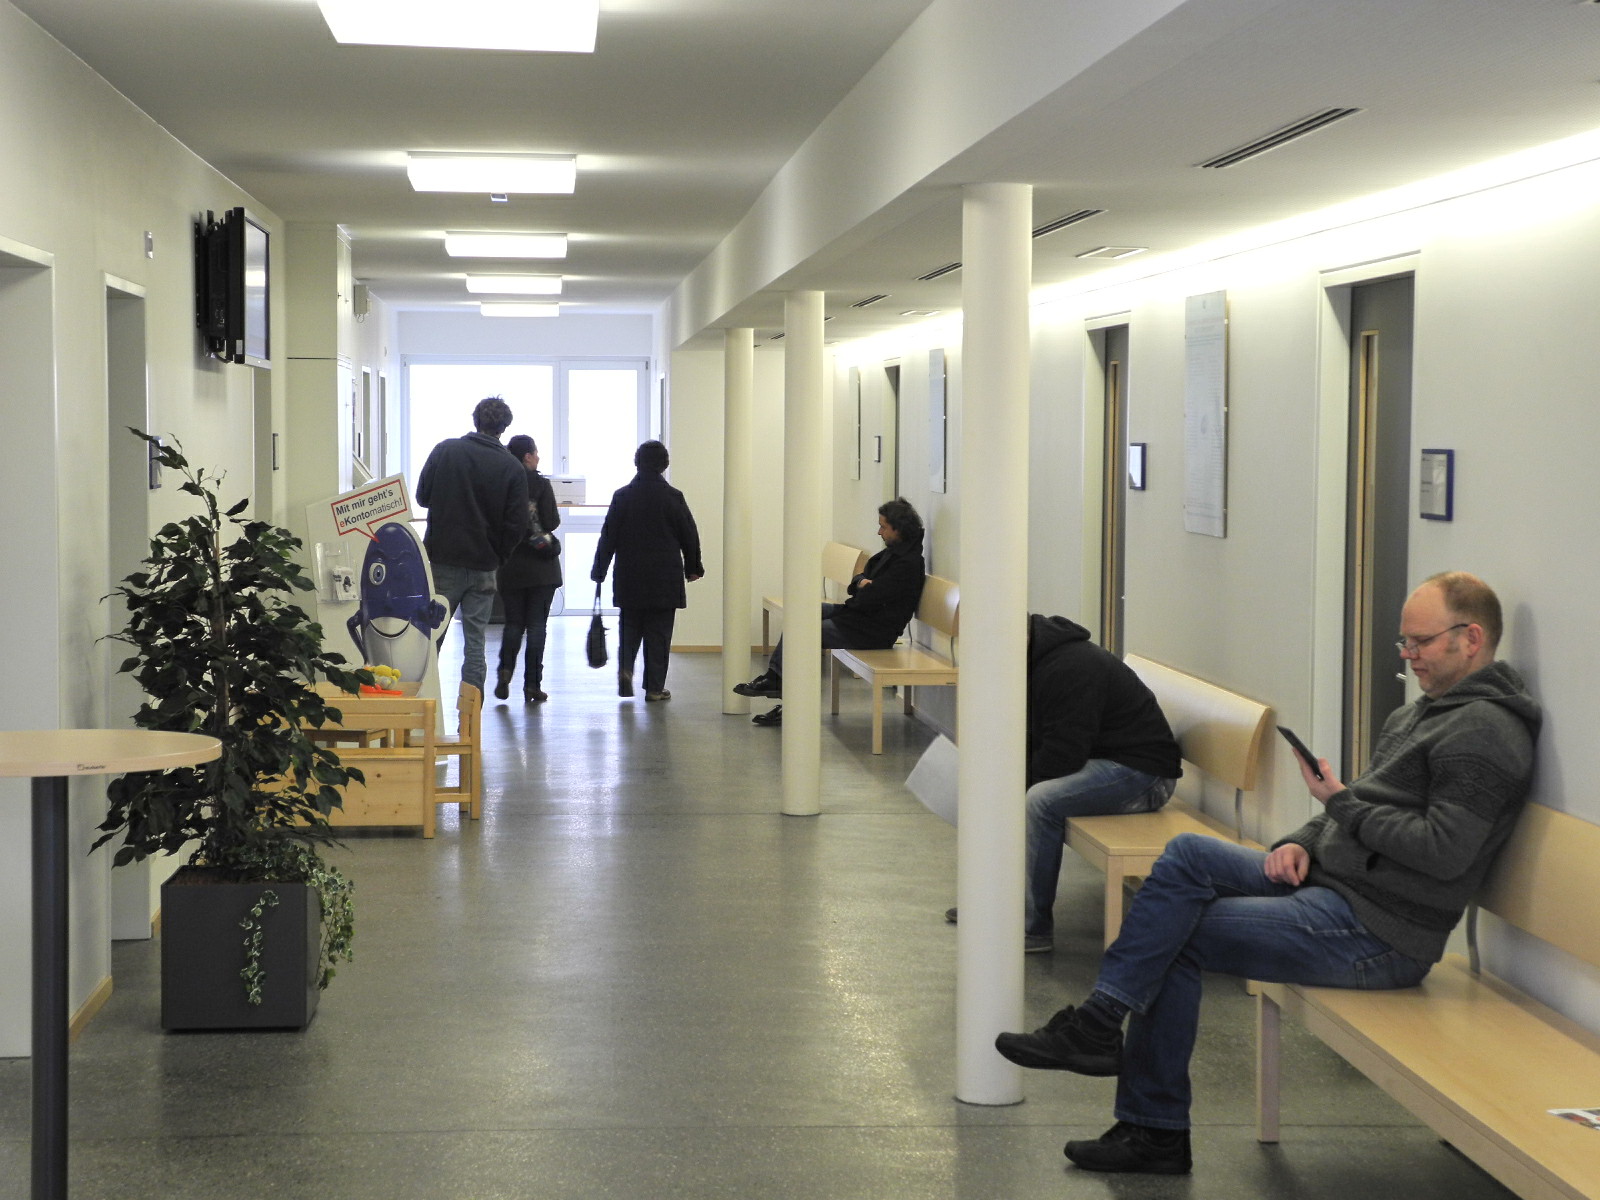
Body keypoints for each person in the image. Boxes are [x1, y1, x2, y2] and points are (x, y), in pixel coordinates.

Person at [993, 572, 1540, 1176]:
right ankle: (1101, 1032)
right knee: (1186, 854)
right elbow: (1360, 804)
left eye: (1421, 643)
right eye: (1403, 643)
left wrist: (1338, 804)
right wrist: (1301, 841)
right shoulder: (1421, 715)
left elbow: (1443, 851)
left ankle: (1149, 1122)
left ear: (1472, 638)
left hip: (1379, 931)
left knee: (1173, 937)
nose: (1408, 657)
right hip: (1334, 884)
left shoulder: (1485, 732)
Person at [949, 614, 1182, 953]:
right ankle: (991, 905)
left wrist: (1013, 788)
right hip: (1099, 760)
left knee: (1039, 801)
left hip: (1143, 775)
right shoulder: (1031, 662)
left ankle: (1031, 927)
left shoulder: (1071, 668)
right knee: (1003, 789)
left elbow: (1064, 754)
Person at [733, 498, 927, 728]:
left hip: (873, 631)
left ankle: (789, 699)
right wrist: (862, 584)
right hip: (857, 617)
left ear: (899, 528)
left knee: (807, 633)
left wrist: (863, 585)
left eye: (883, 527)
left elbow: (872, 596)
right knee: (801, 613)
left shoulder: (908, 563)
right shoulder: (892, 554)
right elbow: (859, 582)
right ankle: (777, 680)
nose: (879, 532)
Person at [414, 396, 529, 693]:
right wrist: (499, 556)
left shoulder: (445, 450)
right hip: (484, 565)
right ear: (504, 427)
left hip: (443, 561)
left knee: (430, 637)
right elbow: (517, 524)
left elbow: (422, 496)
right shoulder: (512, 467)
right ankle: (471, 714)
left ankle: (423, 705)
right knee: (475, 642)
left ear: (475, 419)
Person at [591, 440, 703, 701]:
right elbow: (689, 534)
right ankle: (654, 688)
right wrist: (693, 567)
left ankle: (626, 671)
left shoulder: (622, 496)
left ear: (637, 463)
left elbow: (608, 536)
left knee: (629, 628)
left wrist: (599, 569)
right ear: (665, 464)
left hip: (630, 575)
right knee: (659, 634)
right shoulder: (673, 497)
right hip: (664, 576)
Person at [494, 434, 562, 703]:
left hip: (511, 566)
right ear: (527, 456)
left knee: (513, 624)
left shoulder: (501, 484)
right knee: (536, 626)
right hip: (542, 566)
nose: (538, 458)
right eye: (536, 453)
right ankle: (532, 685)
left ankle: (504, 673)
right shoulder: (540, 484)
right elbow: (552, 522)